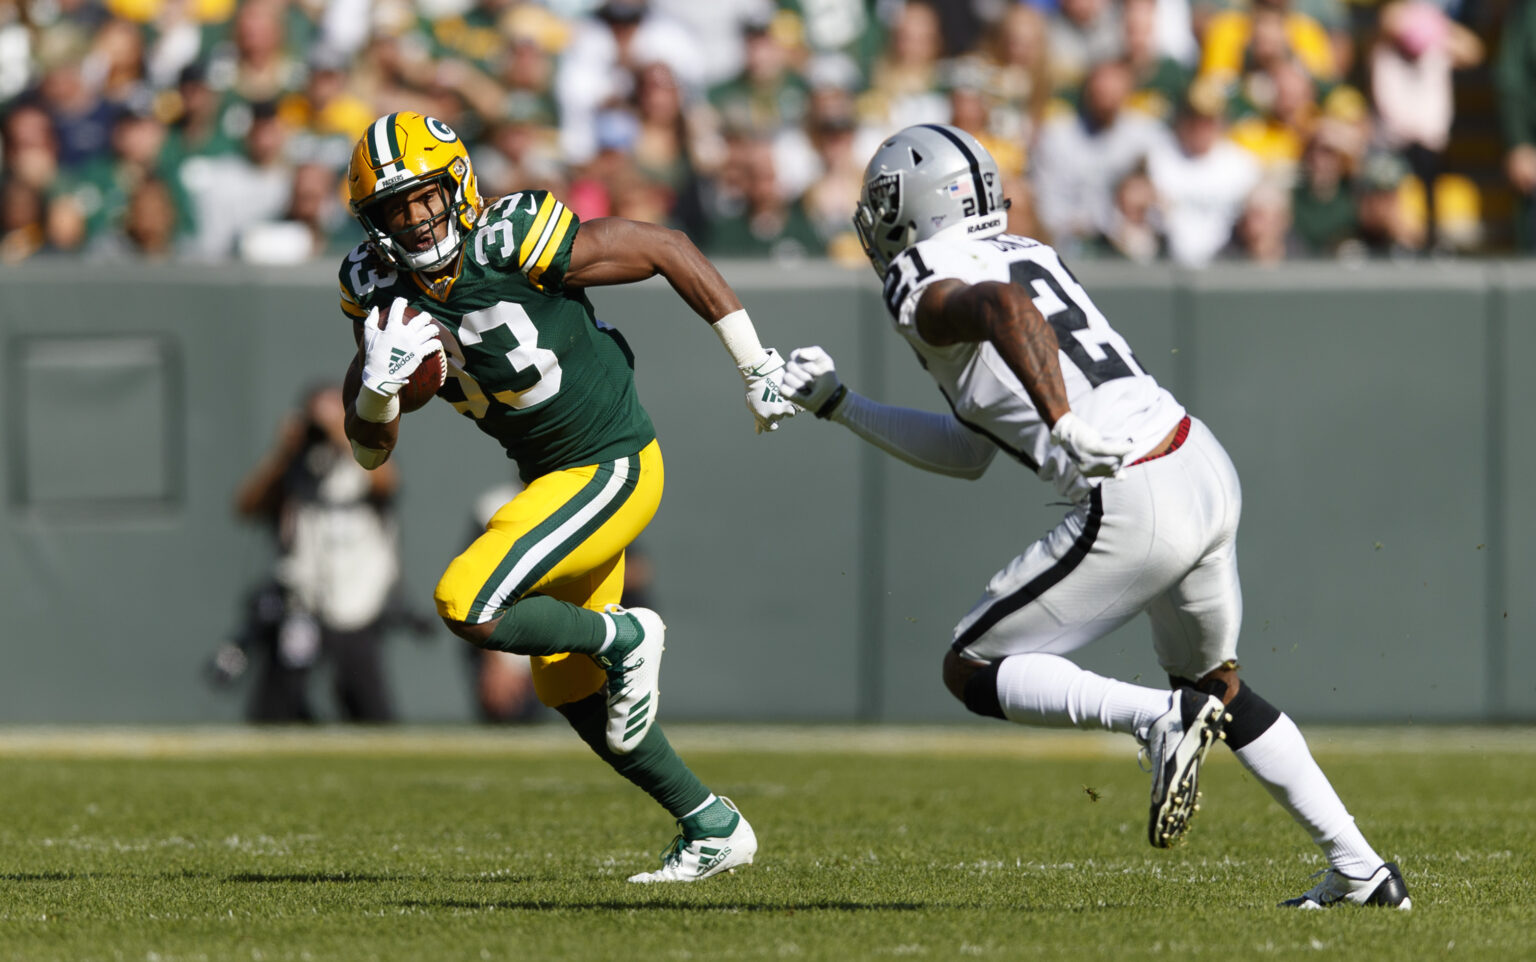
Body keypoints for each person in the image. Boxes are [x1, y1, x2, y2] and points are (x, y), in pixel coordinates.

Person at [780, 123, 1411, 909]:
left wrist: (1062, 420)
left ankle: (1156, 720)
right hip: (1197, 461)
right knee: (1217, 685)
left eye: (883, 204)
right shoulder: (1028, 248)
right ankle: (1363, 870)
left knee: (969, 667)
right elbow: (970, 449)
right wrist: (840, 406)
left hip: (1136, 490)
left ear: (915, 203)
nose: (876, 223)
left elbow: (1002, 310)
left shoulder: (923, 273)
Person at [336, 111, 794, 882]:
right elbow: (365, 447)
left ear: (459, 188)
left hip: (612, 463)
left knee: (465, 598)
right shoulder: (377, 288)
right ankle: (711, 824)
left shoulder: (512, 235)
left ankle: (626, 638)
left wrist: (754, 365)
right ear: (374, 222)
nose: (416, 220)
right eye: (395, 208)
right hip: (553, 482)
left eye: (425, 198)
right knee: (565, 684)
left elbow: (665, 247)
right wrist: (380, 394)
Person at [231, 384, 403, 723]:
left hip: (358, 601)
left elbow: (388, 484)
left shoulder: (363, 457)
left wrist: (344, 431)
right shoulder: (296, 466)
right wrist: (283, 451)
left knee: (367, 702)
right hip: (303, 600)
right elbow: (247, 505)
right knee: (276, 706)